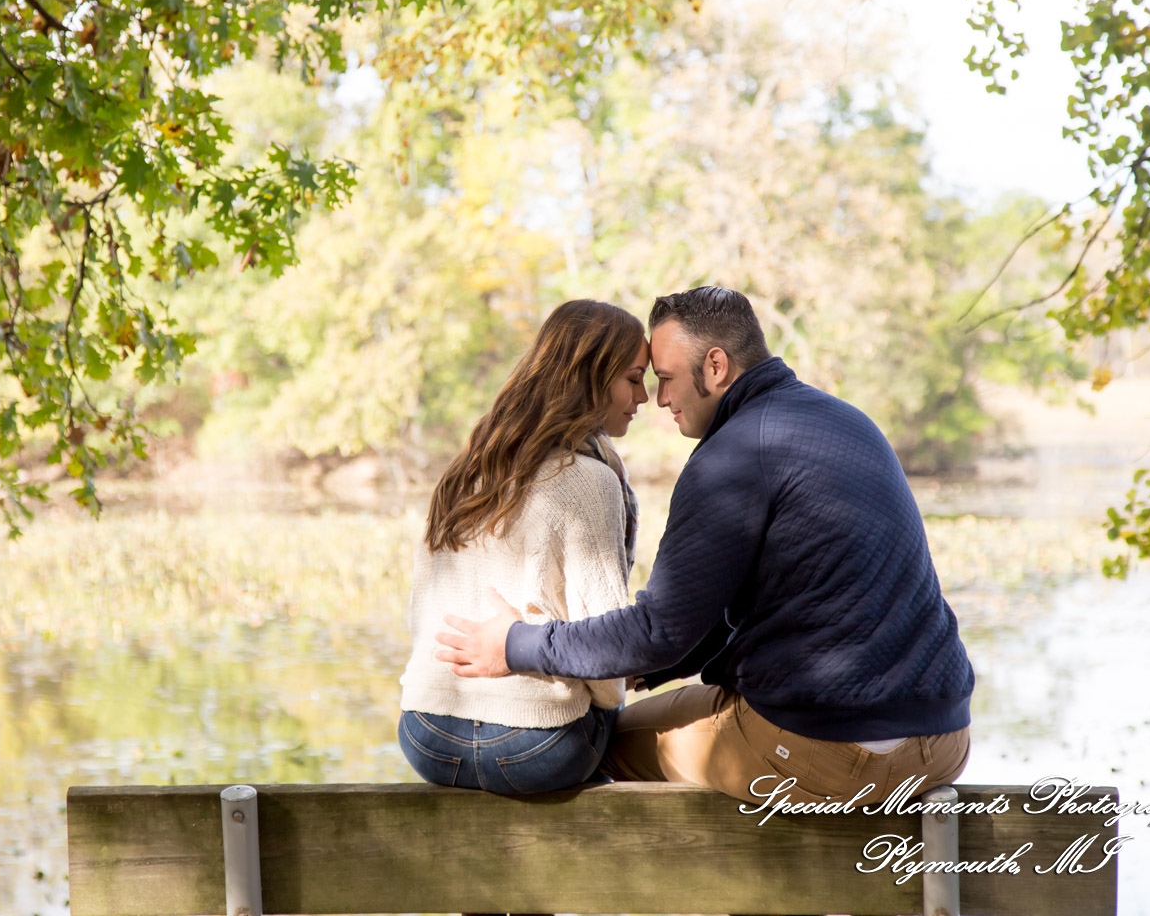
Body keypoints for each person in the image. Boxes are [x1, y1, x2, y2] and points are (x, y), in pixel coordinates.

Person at [435, 286, 974, 806]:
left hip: (829, 750)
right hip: (943, 738)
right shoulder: (847, 422)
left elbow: (658, 630)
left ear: (715, 367)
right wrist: (633, 664)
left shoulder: (731, 459)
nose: (659, 398)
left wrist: (514, 646)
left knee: (587, 748)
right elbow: (700, 624)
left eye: (666, 379)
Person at [397, 299, 650, 794]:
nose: (644, 396)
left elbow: (419, 618)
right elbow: (609, 667)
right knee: (621, 718)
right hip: (534, 749)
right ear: (591, 377)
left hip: (425, 734)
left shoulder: (467, 468)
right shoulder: (590, 481)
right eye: (634, 378)